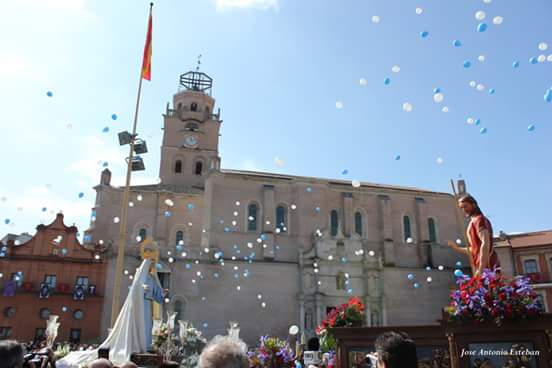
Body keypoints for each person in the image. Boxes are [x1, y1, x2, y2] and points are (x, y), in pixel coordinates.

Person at [447, 194, 500, 277]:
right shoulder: (473, 221)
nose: (464, 210)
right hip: (480, 266)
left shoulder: (480, 220)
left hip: (487, 265)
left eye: (466, 206)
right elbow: (474, 249)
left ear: (474, 204)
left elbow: (485, 243)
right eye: (462, 208)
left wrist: (481, 268)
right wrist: (456, 248)